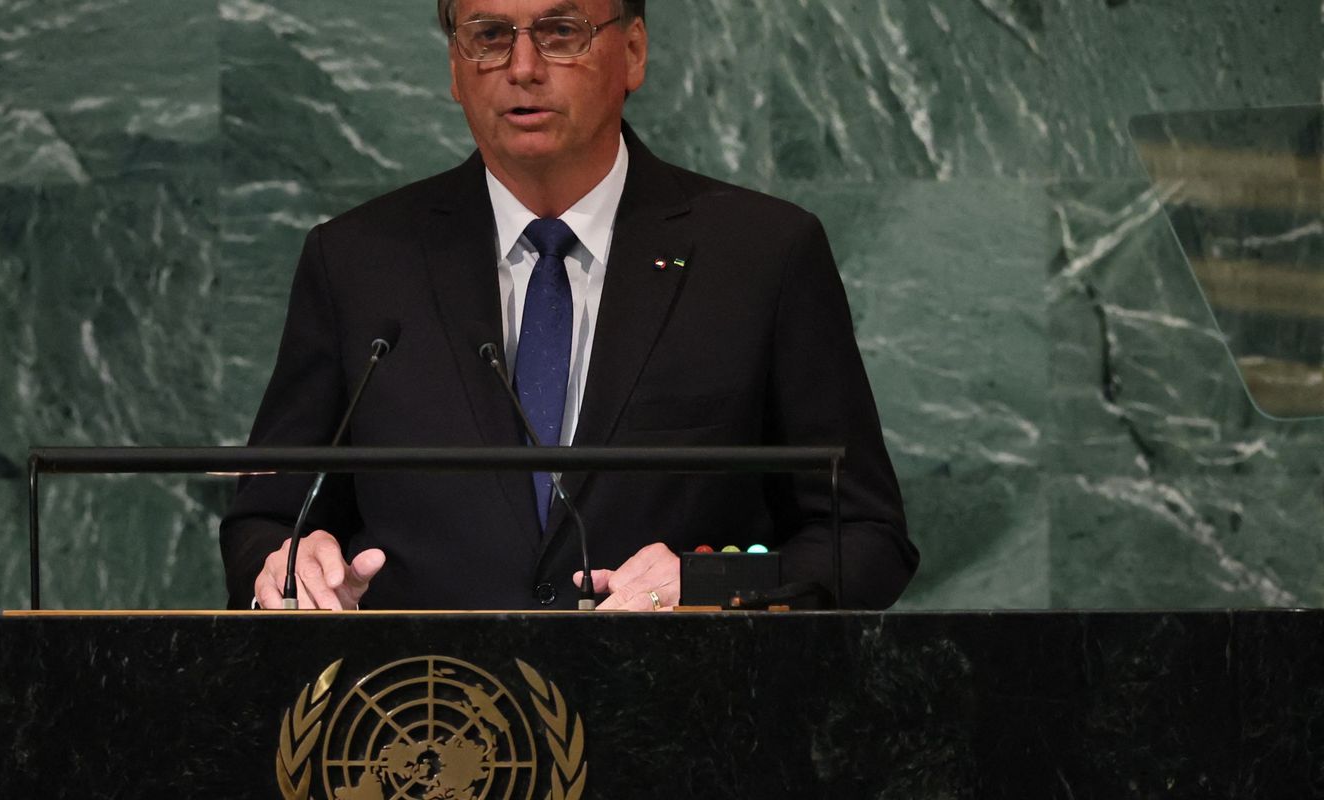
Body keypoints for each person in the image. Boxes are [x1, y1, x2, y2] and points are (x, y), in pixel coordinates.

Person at [220, 0, 918, 611]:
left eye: (560, 32)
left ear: (633, 51)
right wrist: (290, 566)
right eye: (489, 36)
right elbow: (264, 520)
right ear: (455, 68)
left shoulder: (761, 255)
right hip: (431, 708)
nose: (523, 68)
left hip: (681, 704)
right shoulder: (359, 263)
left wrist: (715, 584)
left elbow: (865, 537)